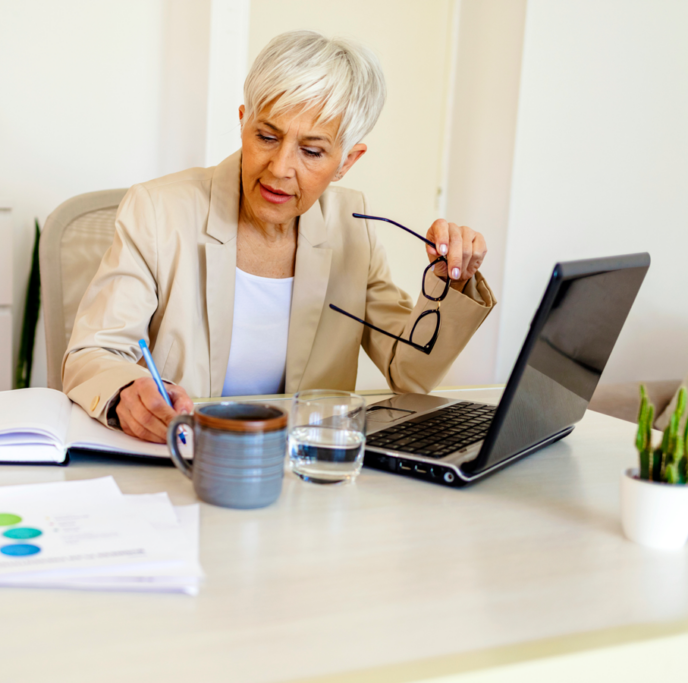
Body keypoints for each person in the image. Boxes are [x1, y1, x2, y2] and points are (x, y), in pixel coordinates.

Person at [63, 30, 496, 444]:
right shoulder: (159, 210)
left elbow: (410, 372)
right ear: (242, 122)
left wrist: (451, 281)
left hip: (301, 473)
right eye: (266, 136)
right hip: (180, 460)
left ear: (347, 161)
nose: (279, 168)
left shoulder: (352, 227)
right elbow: (92, 352)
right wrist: (127, 394)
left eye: (311, 151)